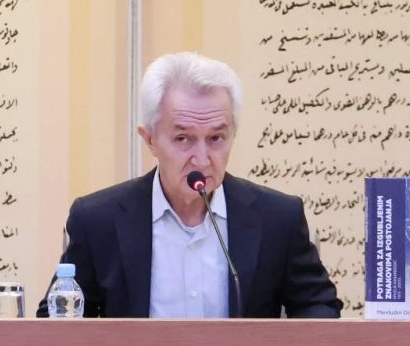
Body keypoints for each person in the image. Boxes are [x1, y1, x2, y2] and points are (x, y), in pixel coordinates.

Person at [47, 51, 341, 319]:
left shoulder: (278, 219)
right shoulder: (97, 221)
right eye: (183, 138)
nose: (201, 159)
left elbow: (320, 308)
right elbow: (56, 323)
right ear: (150, 140)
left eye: (216, 138)